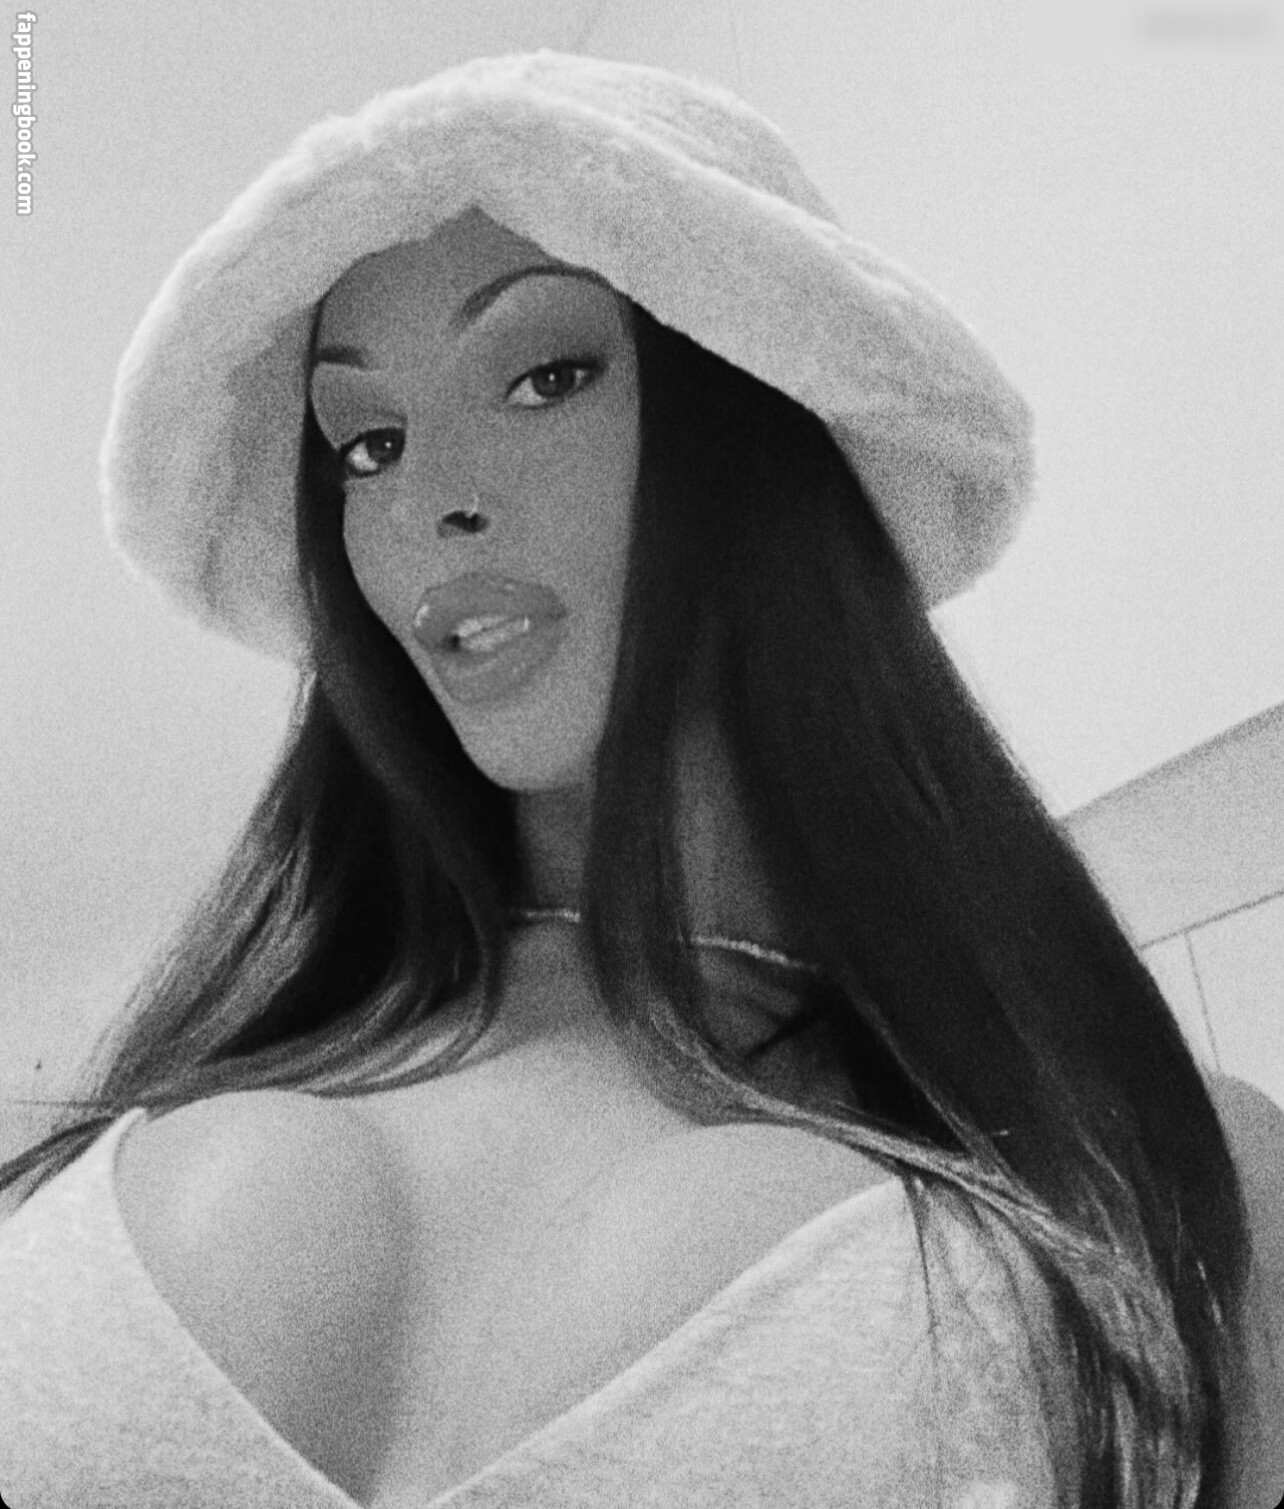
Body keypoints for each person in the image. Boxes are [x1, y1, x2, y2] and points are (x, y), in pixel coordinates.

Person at [0, 49, 1280, 1509]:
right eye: (369, 442)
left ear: (763, 425)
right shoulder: (245, 1054)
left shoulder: (1183, 1192)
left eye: (545, 375)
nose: (431, 502)